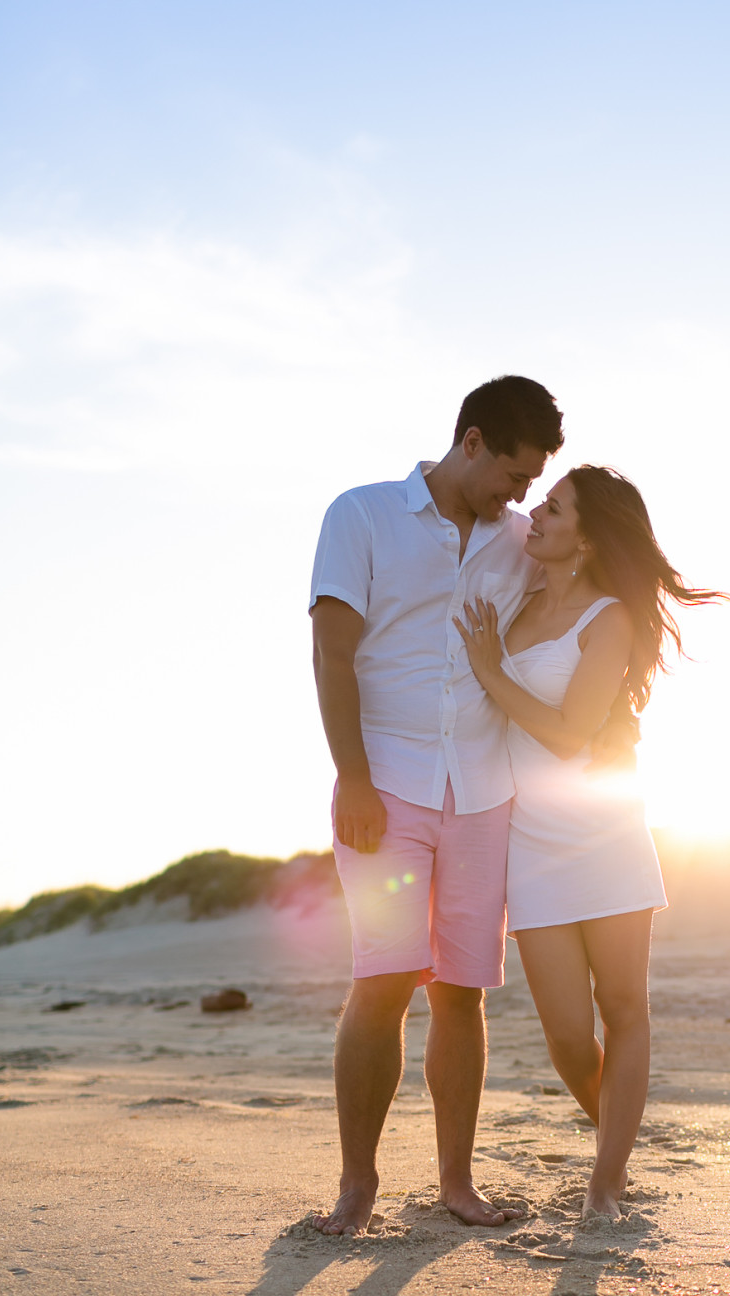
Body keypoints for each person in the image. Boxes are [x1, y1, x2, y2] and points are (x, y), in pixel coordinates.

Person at [309, 376, 565, 1236]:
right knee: (382, 979)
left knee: (463, 992)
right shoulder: (362, 514)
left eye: (532, 484)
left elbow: (585, 578)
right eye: (514, 475)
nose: (518, 496)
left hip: (484, 794)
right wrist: (351, 776)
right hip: (384, 785)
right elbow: (333, 655)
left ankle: (457, 1181)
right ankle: (358, 1183)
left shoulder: (521, 541)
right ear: (473, 441)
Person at [456, 466, 727, 1219]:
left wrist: (489, 670)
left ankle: (605, 1182)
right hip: (531, 845)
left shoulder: (609, 619)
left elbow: (571, 733)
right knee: (570, 1037)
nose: (536, 514)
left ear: (588, 538)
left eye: (555, 507)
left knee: (624, 1008)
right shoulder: (516, 602)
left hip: (604, 837)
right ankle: (619, 1138)